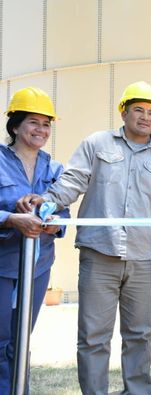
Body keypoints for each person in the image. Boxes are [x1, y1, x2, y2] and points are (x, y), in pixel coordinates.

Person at [17, 81, 151, 394]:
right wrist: (47, 201)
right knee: (93, 337)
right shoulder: (97, 145)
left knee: (139, 336)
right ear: (123, 112)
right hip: (99, 255)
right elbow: (72, 182)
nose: (145, 117)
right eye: (138, 110)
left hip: (145, 260)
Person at [0, 87, 68, 393]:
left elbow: (63, 213)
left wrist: (54, 224)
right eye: (33, 122)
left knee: (21, 340)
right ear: (15, 125)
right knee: (1, 342)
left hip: (38, 265)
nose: (41, 130)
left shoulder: (54, 169)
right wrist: (11, 218)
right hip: (3, 266)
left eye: (46, 124)